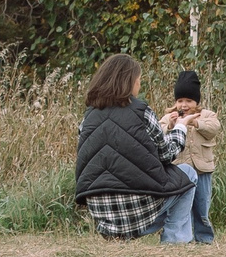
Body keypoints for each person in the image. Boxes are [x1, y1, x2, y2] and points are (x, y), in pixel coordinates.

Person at [72, 53, 191, 241]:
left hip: (101, 212)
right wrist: (180, 128)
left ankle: (117, 237)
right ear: (129, 82)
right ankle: (174, 240)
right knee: (188, 173)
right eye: (139, 80)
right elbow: (166, 154)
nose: (140, 85)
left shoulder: (88, 117)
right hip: (136, 210)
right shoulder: (141, 111)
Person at [157, 69, 220, 246]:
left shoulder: (207, 115)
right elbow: (158, 131)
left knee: (202, 207)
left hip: (202, 170)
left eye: (189, 101)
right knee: (182, 207)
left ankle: (204, 239)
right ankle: (184, 236)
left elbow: (213, 129)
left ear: (197, 101)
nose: (184, 105)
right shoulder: (170, 116)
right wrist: (170, 124)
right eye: (180, 101)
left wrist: (194, 122)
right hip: (180, 170)